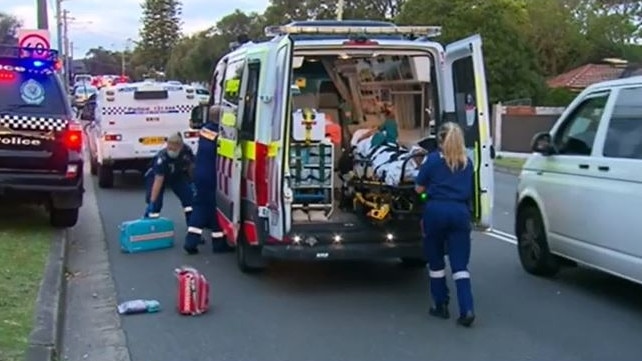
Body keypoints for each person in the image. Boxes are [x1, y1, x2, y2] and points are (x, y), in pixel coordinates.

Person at [414, 121, 475, 327]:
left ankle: (440, 305)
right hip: (460, 213)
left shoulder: (432, 161)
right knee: (460, 265)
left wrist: (426, 190)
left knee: (436, 262)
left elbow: (419, 189)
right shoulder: (467, 163)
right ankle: (467, 308)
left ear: (440, 140)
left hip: (436, 212)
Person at [183, 105, 230, 255]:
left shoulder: (205, 130)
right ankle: (192, 241)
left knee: (211, 207)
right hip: (211, 175)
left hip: (201, 173)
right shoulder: (217, 134)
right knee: (207, 207)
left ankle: (218, 241)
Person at [144, 132, 195, 223]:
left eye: (174, 149)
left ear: (180, 146)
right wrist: (152, 201)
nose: (171, 151)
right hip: (156, 176)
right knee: (155, 204)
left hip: (176, 176)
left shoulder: (186, 151)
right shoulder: (162, 158)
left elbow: (191, 167)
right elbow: (158, 181)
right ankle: (149, 226)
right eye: (169, 148)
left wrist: (193, 182)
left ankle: (192, 227)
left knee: (189, 199)